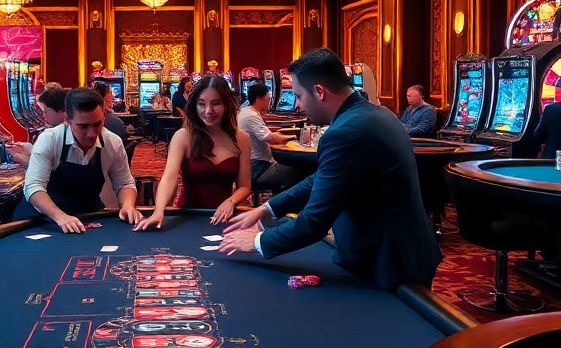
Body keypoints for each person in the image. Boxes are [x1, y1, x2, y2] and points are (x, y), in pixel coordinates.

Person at [220, 48, 441, 289]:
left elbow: (314, 222)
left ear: (319, 91)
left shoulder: (344, 133)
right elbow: (320, 178)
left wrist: (257, 241)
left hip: (389, 263)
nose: (297, 105)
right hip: (406, 250)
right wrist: (267, 208)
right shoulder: (377, 113)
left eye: (299, 95)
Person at [17, 87, 141, 233]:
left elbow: (124, 183)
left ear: (104, 117)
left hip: (87, 215)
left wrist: (127, 205)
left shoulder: (113, 142)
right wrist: (61, 217)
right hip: (42, 218)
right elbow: (33, 186)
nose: (91, 133)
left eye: (97, 124)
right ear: (67, 120)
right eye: (83, 126)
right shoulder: (50, 139)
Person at [137, 76, 252, 229]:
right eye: (202, 104)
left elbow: (244, 186)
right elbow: (169, 178)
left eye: (216, 103)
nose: (208, 111)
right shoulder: (183, 137)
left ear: (227, 104)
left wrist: (231, 201)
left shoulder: (242, 139)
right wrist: (158, 212)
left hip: (223, 216)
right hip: (186, 216)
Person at [238, 83, 299, 192]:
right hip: (257, 168)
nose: (269, 101)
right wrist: (292, 137)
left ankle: (278, 198)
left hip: (254, 165)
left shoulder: (245, 111)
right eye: (268, 98)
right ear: (258, 99)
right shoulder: (250, 115)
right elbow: (270, 138)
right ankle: (282, 201)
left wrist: (279, 135)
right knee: (297, 170)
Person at [7, 87, 66, 165]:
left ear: (61, 111)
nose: (44, 116)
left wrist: (24, 160)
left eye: (45, 112)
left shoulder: (58, 134)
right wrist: (30, 149)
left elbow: (50, 169)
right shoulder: (62, 130)